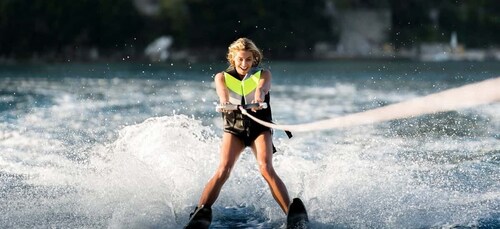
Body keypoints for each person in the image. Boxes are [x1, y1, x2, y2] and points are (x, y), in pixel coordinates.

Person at [188, 37, 293, 225]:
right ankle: (200, 213)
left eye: (248, 60)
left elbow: (262, 88)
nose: (244, 64)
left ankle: (291, 214)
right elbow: (222, 93)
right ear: (233, 59)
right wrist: (225, 102)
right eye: (240, 59)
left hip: (259, 128)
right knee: (223, 170)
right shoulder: (221, 77)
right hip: (233, 129)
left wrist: (259, 98)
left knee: (266, 169)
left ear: (254, 60)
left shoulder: (263, 74)